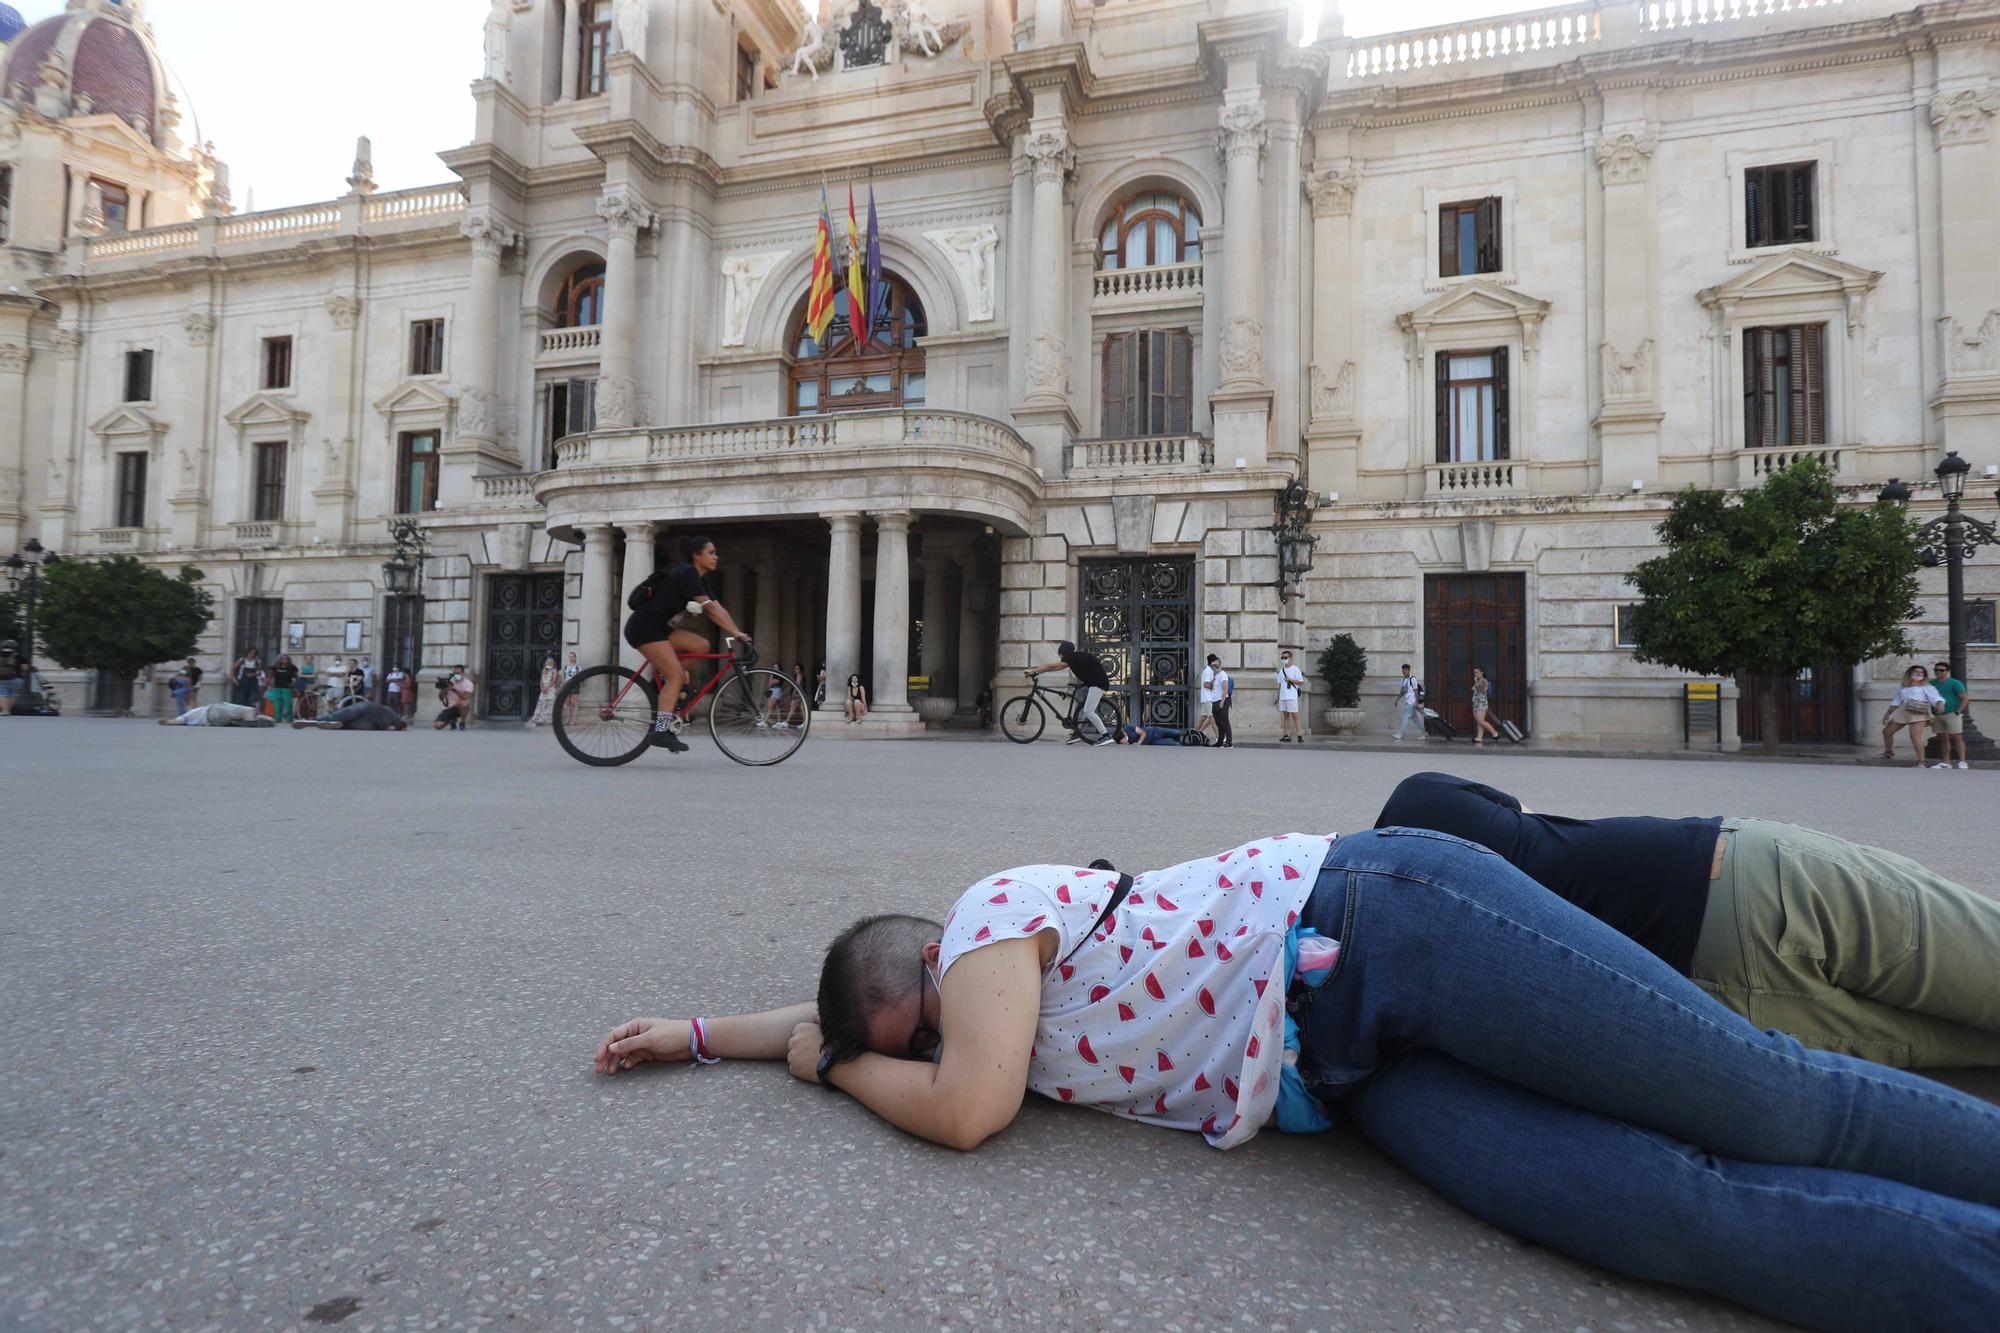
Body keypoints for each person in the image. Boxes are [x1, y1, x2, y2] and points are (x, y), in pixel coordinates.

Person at [595, 826, 2000, 1331]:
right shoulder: (954, 981)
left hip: (1397, 924)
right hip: (1352, 1077)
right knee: (1679, 1218)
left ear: (935, 971)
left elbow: (963, 1103)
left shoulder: (988, 917)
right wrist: (702, 1034)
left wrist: (840, 1072)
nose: (941, 1055)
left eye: (911, 1035)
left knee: (1770, 1099)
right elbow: (865, 1011)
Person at [1375, 771, 2000, 1068]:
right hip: (1743, 872)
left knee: (1960, 1067)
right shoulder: (1418, 795)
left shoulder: (1402, 913)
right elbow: (1536, 813)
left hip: (1715, 991)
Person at [621, 535, 752, 754]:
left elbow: (718, 608)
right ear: (696, 555)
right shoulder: (686, 572)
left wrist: (738, 631)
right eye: (711, 553)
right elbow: (710, 611)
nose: (716, 557)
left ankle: (666, 684)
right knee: (676, 677)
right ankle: (661, 730)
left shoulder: (701, 578)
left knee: (701, 646)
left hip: (661, 628)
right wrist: (736, 633)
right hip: (644, 628)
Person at [1026, 641, 1114, 746]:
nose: (1061, 656)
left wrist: (1033, 670)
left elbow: (1050, 666)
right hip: (1093, 683)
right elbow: (1056, 668)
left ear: (1065, 653)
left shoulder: (1073, 658)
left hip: (1098, 684)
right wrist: (1039, 672)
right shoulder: (1074, 658)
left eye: (1061, 654)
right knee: (1086, 709)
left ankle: (1105, 736)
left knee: (1088, 711)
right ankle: (1078, 733)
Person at [1880, 664, 1943, 767]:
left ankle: (1922, 762)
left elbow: (1936, 697)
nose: (1919, 674)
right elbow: (1897, 700)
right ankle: (1888, 752)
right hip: (1903, 710)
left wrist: (1940, 704)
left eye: (1922, 672)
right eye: (1916, 672)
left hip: (1918, 711)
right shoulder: (1904, 686)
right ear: (1910, 673)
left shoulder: (1926, 686)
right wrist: (1887, 714)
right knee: (1887, 732)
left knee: (1915, 738)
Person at [1929, 659, 1970, 770]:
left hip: (1952, 713)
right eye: (1936, 670)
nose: (1938, 672)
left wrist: (1958, 711)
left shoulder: (1955, 683)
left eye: (1941, 670)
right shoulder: (1931, 684)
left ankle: (1962, 761)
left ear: (1947, 671)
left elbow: (1964, 698)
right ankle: (1946, 762)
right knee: (1942, 738)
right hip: (1937, 714)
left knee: (1957, 737)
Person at [293, 700, 408, 731]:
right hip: (370, 724)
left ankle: (314, 720)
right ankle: (333, 725)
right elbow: (391, 728)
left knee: (339, 716)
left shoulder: (390, 713)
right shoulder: (396, 723)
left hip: (367, 707)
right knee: (346, 725)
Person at [158, 701, 273, 727]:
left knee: (235, 717)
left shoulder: (191, 716)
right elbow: (178, 721)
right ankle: (252, 719)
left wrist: (168, 722)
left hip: (214, 720)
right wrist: (167, 722)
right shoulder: (189, 714)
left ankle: (266, 720)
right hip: (213, 711)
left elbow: (179, 721)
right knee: (247, 710)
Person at [1274, 651, 1305, 743]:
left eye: (1285, 657)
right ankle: (1287, 735)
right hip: (1283, 696)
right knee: (1286, 716)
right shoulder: (1281, 671)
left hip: (1292, 696)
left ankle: (1299, 734)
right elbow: (1280, 685)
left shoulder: (1295, 669)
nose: (1283, 659)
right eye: (1282, 657)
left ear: (1290, 658)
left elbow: (1301, 682)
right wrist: (1278, 696)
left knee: (1295, 715)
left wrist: (1291, 680)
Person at [1391, 663, 1424, 741]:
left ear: (1409, 670)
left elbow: (1416, 691)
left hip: (1412, 703)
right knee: (1415, 719)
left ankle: (1400, 734)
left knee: (1405, 717)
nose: (1404, 671)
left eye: (1405, 670)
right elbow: (1402, 691)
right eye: (1403, 670)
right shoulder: (1402, 680)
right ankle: (1424, 733)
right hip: (1408, 702)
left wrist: (1417, 702)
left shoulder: (1412, 679)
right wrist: (1397, 700)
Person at [1469, 667, 1501, 745]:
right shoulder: (1478, 681)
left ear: (1481, 673)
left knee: (1481, 720)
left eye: (1477, 672)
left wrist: (1476, 682)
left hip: (1482, 703)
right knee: (1478, 721)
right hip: (1476, 702)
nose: (1475, 674)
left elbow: (1481, 690)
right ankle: (1479, 737)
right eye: (1474, 672)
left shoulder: (1484, 681)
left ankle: (1494, 732)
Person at [527, 656, 560, 728]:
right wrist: (541, 687)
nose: (549, 663)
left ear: (553, 663)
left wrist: (547, 687)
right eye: (548, 661)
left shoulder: (554, 670)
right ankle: (539, 719)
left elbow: (553, 680)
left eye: (551, 662)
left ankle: (548, 720)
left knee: (549, 704)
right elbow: (541, 679)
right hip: (543, 689)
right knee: (541, 703)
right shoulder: (543, 670)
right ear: (546, 662)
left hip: (550, 688)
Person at [267, 654, 298, 724]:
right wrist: (270, 682)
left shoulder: (292, 667)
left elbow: (295, 676)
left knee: (288, 704)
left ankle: (289, 718)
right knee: (277, 704)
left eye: (286, 659)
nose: (284, 660)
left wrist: (294, 682)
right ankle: (277, 718)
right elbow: (270, 675)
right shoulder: (275, 667)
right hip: (277, 687)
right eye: (283, 659)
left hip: (287, 688)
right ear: (279, 660)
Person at [1210, 662, 1234, 748]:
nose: (1214, 667)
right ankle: (1220, 741)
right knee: (1218, 723)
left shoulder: (1223, 674)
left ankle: (1229, 741)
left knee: (1225, 722)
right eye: (1213, 666)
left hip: (1222, 701)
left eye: (1215, 666)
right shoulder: (1216, 676)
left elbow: (1225, 689)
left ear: (1219, 666)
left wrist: (1222, 702)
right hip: (1215, 700)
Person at [1196, 656, 1219, 740]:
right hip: (1208, 698)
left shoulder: (1210, 671)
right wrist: (1216, 685)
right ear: (1212, 662)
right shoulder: (1207, 671)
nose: (1218, 663)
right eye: (1216, 661)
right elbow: (1206, 684)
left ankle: (1197, 732)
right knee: (1212, 718)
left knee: (1204, 717)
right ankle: (1219, 737)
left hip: (1208, 698)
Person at [1116, 722, 1181, 745]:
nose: (1125, 744)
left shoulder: (1128, 727)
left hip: (1153, 732)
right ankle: (1186, 743)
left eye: (1123, 742)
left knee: (1177, 733)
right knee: (1175, 743)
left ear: (1124, 736)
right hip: (1152, 742)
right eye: (1122, 744)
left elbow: (1143, 733)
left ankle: (1188, 733)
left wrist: (1138, 743)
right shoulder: (1124, 742)